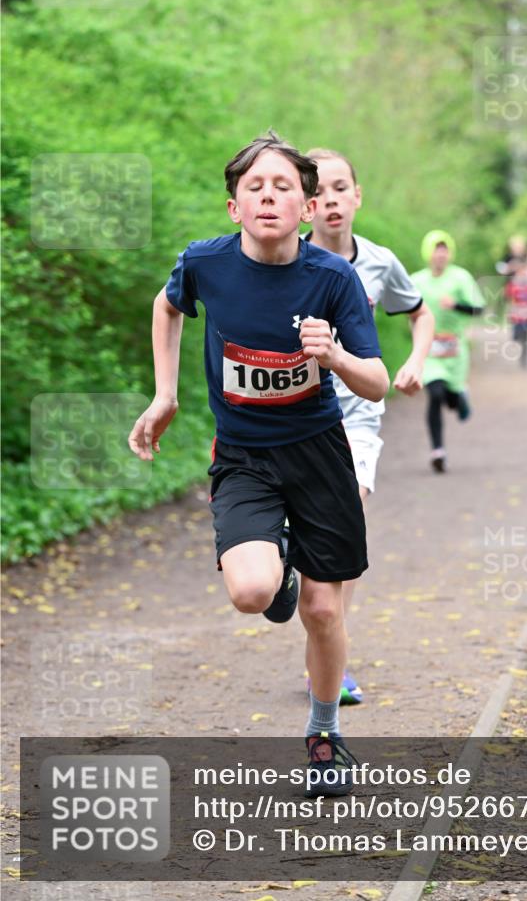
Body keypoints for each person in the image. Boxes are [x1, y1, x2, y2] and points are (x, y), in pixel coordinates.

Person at [128, 131, 389, 795]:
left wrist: (332, 358)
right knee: (251, 593)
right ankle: (280, 577)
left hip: (318, 455)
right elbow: (167, 305)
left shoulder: (332, 279)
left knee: (325, 614)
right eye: (254, 187)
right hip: (243, 455)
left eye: (283, 187)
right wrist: (165, 395)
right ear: (233, 207)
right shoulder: (205, 264)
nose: (268, 196)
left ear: (306, 208)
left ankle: (324, 736)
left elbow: (377, 382)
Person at [303, 147, 435, 704]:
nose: (332, 200)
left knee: (344, 525)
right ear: (306, 205)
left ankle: (334, 655)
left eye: (341, 188)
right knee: (299, 542)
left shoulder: (380, 261)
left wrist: (415, 361)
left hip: (357, 414)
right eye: (321, 192)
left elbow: (419, 313)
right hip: (296, 416)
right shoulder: (285, 260)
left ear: (358, 196)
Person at [411, 231, 484, 473]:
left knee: (450, 397)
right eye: (436, 249)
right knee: (435, 393)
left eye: (444, 249)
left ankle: (460, 395)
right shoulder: (417, 280)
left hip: (454, 348)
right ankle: (438, 450)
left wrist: (456, 305)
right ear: (428, 252)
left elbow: (478, 309)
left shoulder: (460, 277)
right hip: (429, 349)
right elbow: (404, 307)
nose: (440, 254)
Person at [505, 259, 527, 368]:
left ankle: (524, 358)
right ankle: (520, 342)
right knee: (516, 336)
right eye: (522, 271)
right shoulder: (513, 284)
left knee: (526, 338)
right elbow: (508, 297)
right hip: (517, 315)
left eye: (525, 271)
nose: (524, 273)